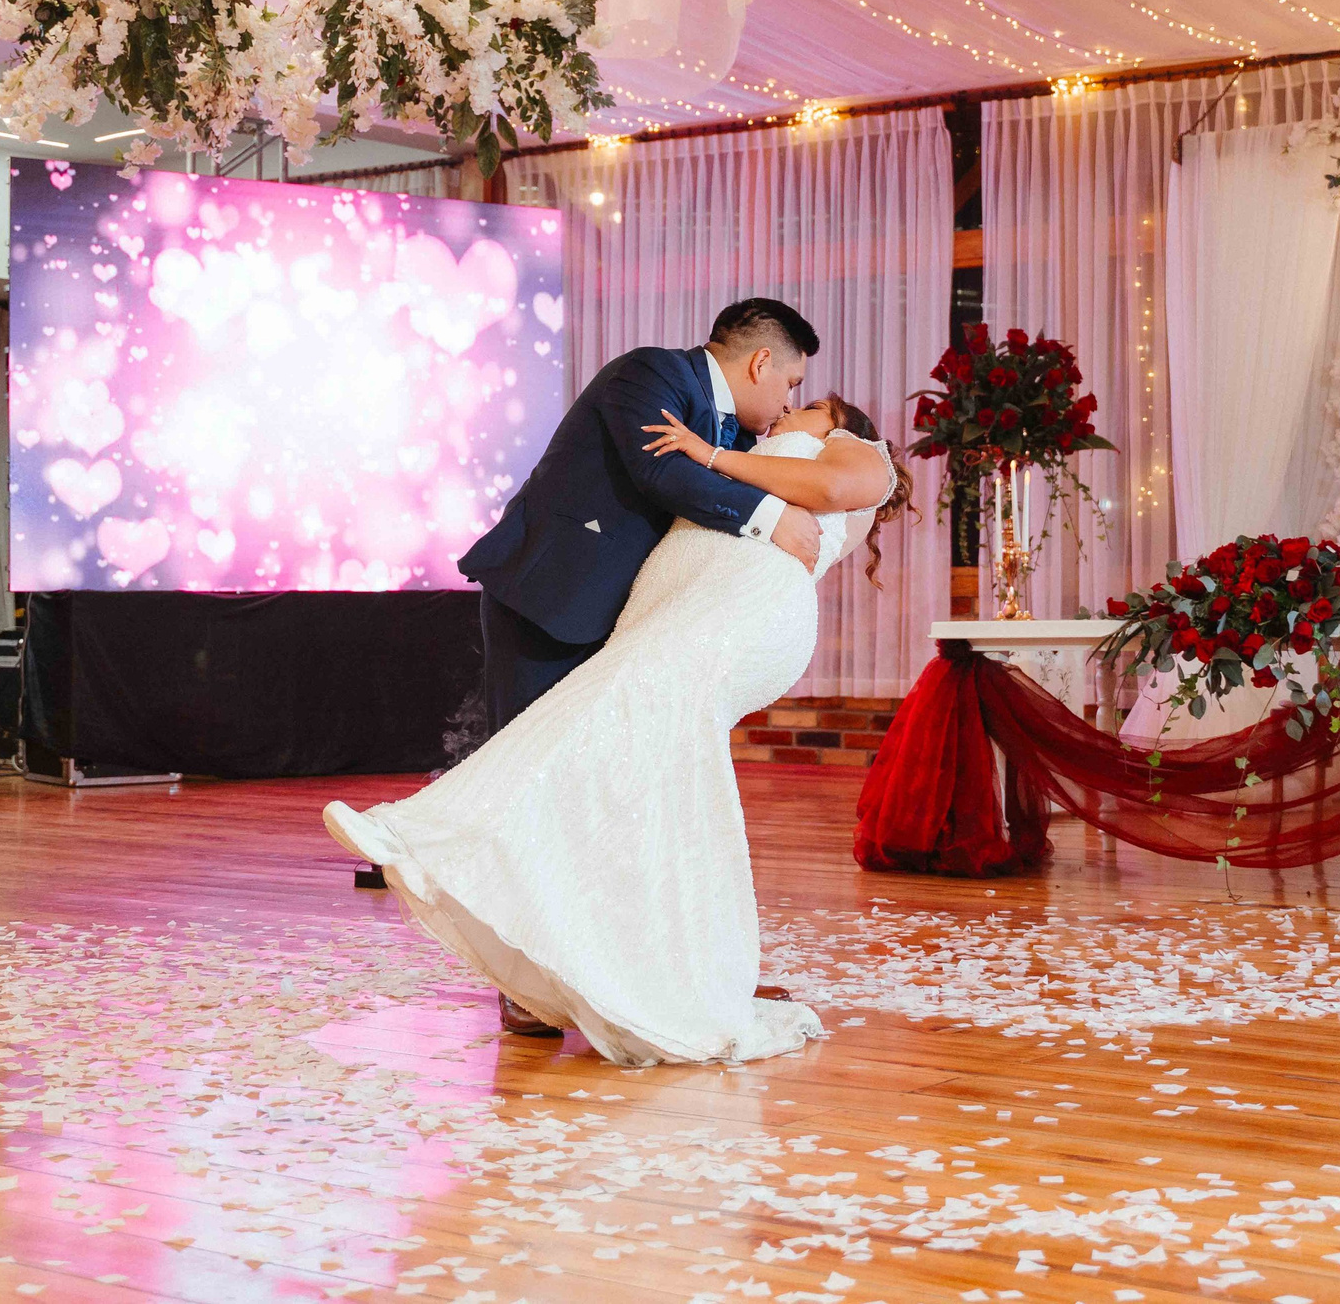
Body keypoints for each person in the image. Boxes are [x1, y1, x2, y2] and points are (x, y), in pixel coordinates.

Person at [327, 391, 912, 1066]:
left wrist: (708, 455)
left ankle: (427, 829)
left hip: (738, 611)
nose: (787, 409)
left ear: (840, 425)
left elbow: (830, 488)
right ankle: (652, 964)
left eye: (809, 404)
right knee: (644, 773)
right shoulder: (757, 454)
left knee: (590, 715)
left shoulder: (860, 457)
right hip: (679, 607)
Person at [454, 298, 830, 736]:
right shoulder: (654, 370)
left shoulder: (741, 440)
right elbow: (660, 469)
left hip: (625, 624)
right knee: (524, 752)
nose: (788, 404)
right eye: (791, 384)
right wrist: (772, 516)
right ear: (760, 363)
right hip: (553, 598)